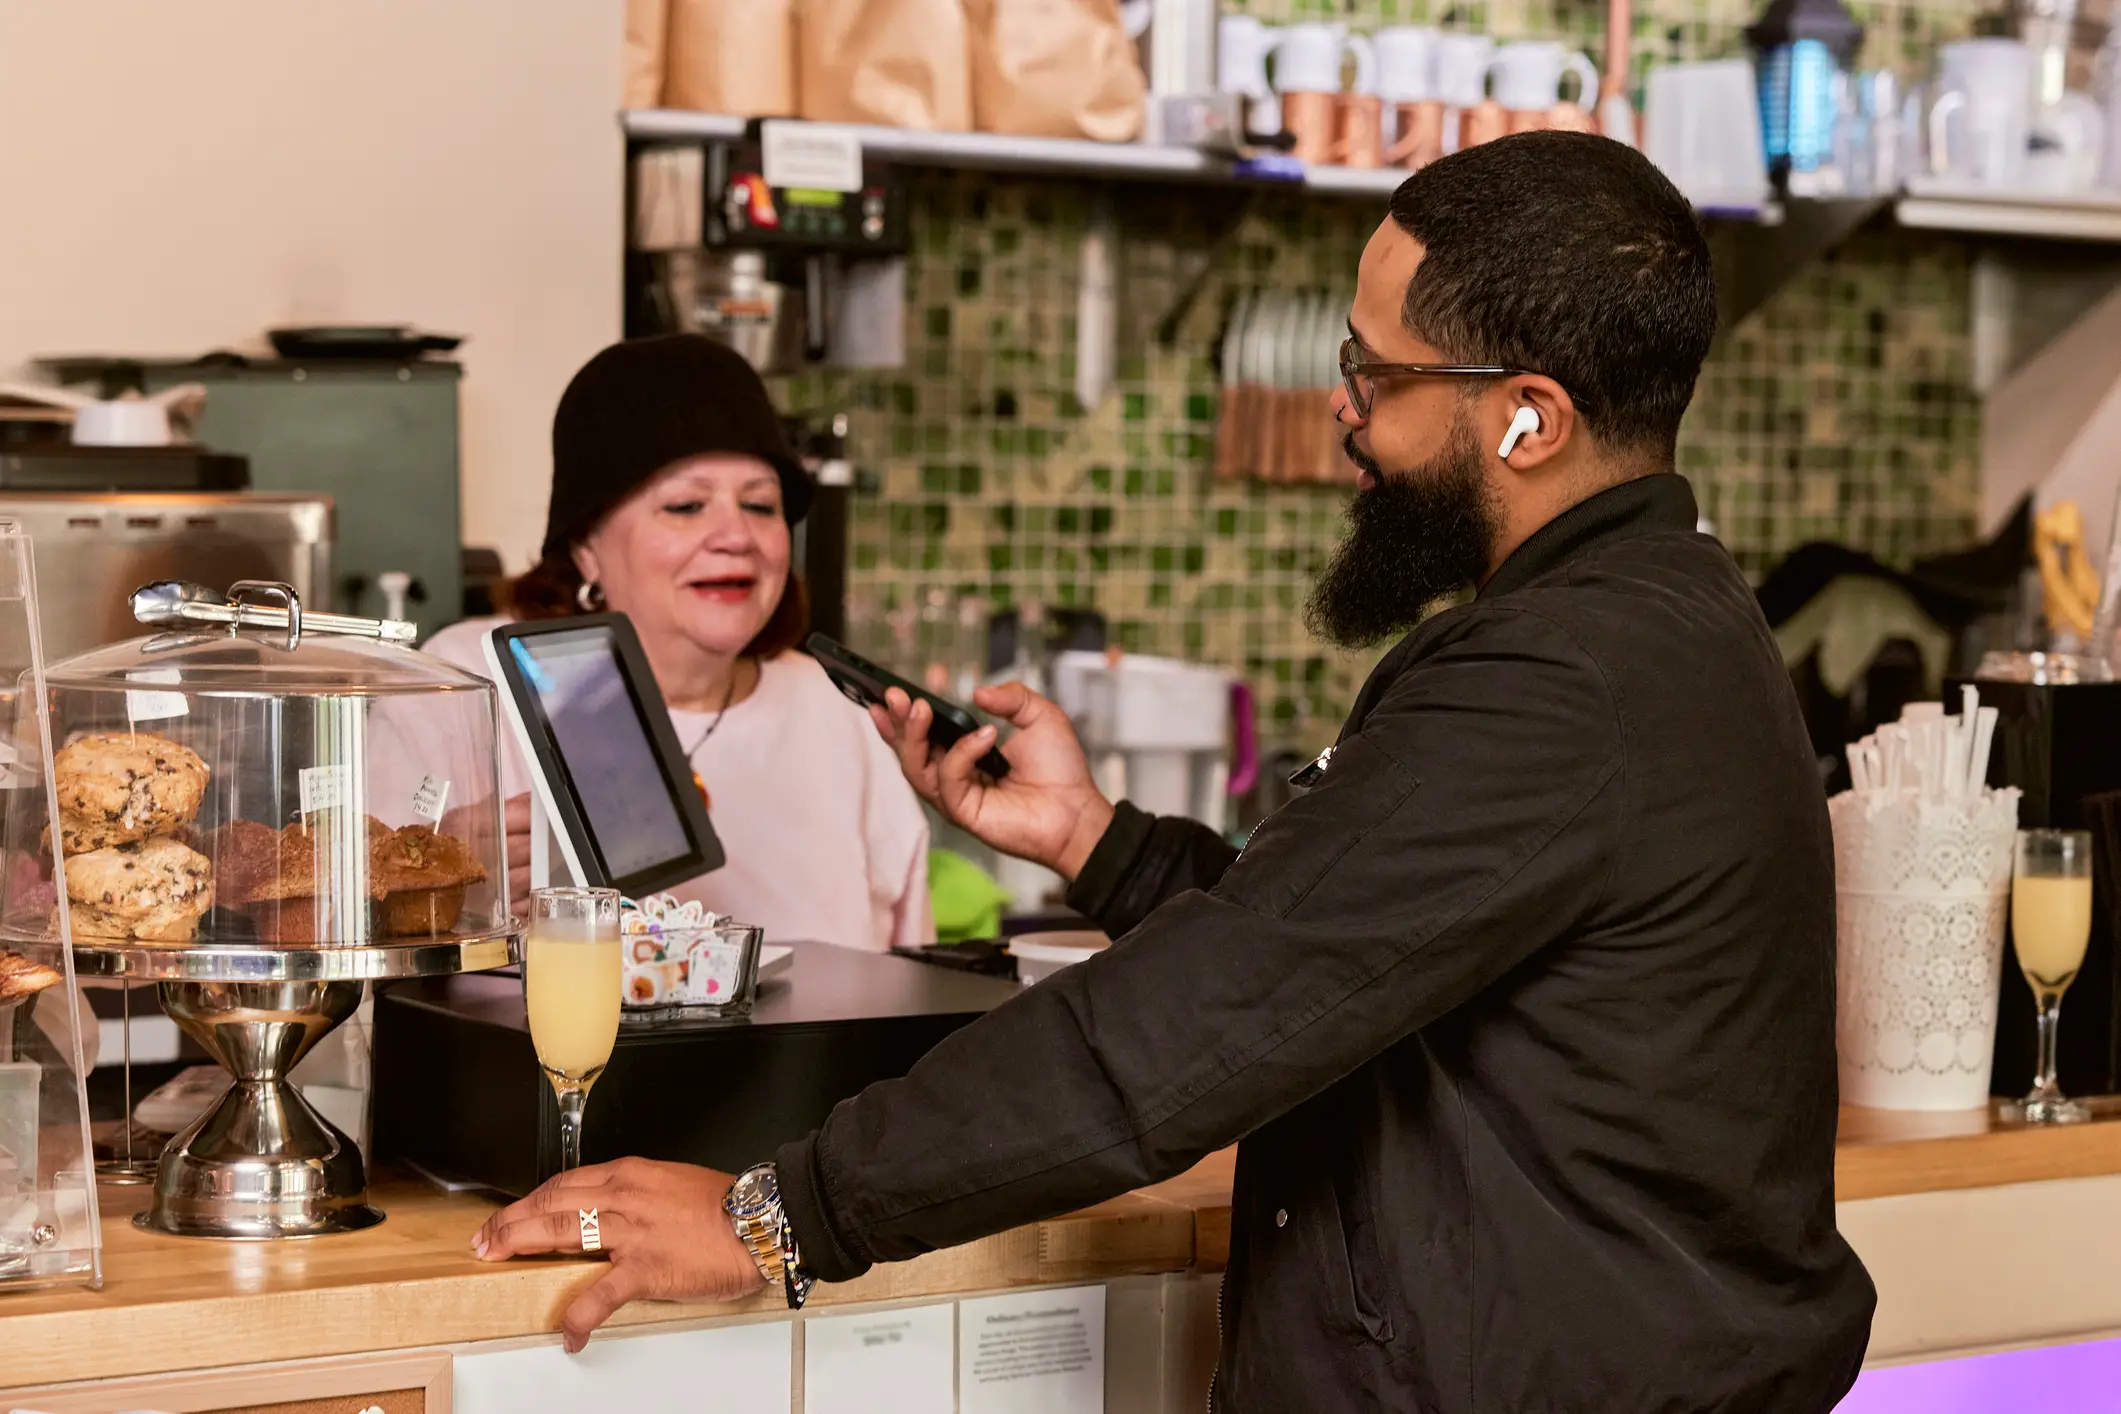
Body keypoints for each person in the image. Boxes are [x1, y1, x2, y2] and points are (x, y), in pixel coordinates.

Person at [473, 133, 1877, 1410]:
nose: (1342, 410)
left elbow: (1185, 1033)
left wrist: (779, 1213)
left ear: (1528, 416)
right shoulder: (1651, 625)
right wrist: (1101, 844)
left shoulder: (1567, 678)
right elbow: (1342, 954)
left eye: (1375, 377)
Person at [424, 334, 931, 953]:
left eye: (761, 505)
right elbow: (357, 948)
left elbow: (911, 987)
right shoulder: (465, 684)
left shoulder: (842, 716)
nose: (736, 535)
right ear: (587, 544)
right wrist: (442, 882)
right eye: (687, 505)